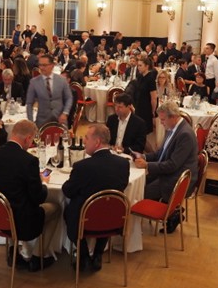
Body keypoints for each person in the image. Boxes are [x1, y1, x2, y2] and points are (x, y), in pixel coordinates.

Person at [0, 120, 60, 271]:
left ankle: (13, 252)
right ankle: (37, 257)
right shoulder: (28, 161)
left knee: (10, 201)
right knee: (56, 208)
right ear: (28, 138)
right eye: (32, 140)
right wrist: (43, 183)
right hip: (21, 221)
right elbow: (38, 197)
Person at [62, 124, 130, 271]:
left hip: (85, 220)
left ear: (97, 142)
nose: (84, 141)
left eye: (87, 138)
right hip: (114, 218)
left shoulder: (82, 167)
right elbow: (122, 187)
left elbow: (68, 191)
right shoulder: (123, 164)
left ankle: (84, 255)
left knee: (69, 211)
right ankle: (98, 254)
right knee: (106, 207)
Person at [134, 101, 198, 233]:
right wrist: (144, 156)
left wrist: (147, 165)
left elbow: (172, 165)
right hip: (169, 172)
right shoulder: (172, 128)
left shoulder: (185, 134)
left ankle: (171, 212)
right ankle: (173, 212)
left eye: (163, 120)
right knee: (139, 184)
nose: (161, 123)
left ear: (173, 117)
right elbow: (160, 153)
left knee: (140, 193)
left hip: (177, 179)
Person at [26, 54, 72, 127]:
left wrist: (65, 113)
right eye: (40, 65)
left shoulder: (61, 80)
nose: (41, 68)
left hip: (60, 119)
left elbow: (69, 98)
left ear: (52, 65)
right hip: (42, 121)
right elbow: (29, 103)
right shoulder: (34, 82)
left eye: (44, 65)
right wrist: (31, 122)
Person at [132, 57, 157, 135]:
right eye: (138, 65)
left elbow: (153, 97)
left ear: (147, 66)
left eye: (140, 65)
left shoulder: (150, 79)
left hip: (146, 107)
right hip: (138, 106)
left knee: (143, 131)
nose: (138, 67)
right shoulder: (140, 76)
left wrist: (153, 111)